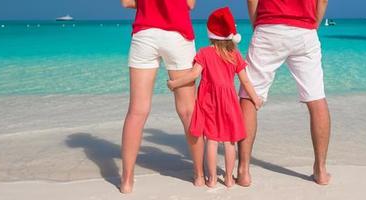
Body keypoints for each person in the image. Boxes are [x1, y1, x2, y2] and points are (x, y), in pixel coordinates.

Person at [237, 0, 332, 186]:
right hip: (305, 30)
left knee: (249, 96)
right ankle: (320, 170)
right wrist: (313, 24)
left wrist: (258, 23)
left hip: (269, 26)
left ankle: (243, 171)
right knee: (316, 98)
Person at [167, 7, 263, 188]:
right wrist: (255, 99)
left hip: (209, 102)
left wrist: (175, 83)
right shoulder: (234, 54)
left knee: (211, 139)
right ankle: (228, 179)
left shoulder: (204, 53)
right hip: (229, 103)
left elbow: (194, 75)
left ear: (211, 33)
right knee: (229, 141)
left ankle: (211, 179)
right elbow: (246, 81)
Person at [119, 0, 204, 194]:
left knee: (137, 111)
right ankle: (199, 175)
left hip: (145, 34)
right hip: (177, 34)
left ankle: (127, 180)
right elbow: (189, 4)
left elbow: (126, 3)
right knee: (188, 110)